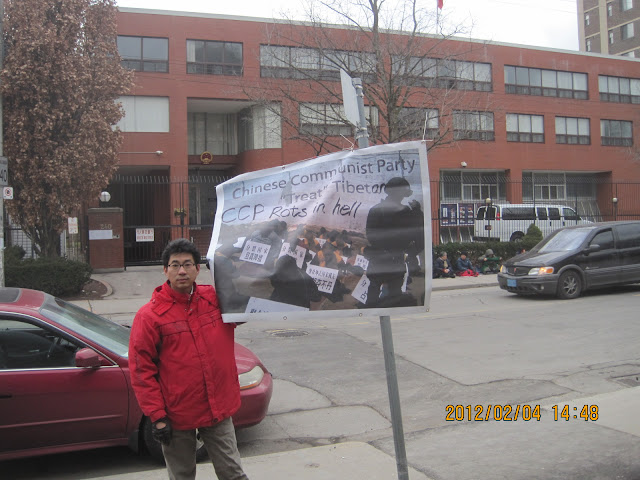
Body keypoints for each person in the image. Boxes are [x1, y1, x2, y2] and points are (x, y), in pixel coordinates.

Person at [129, 239, 249, 480]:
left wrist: (231, 272)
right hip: (177, 414)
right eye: (175, 265)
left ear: (197, 269)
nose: (181, 271)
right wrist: (157, 416)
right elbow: (142, 371)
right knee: (182, 475)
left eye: (187, 264)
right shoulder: (149, 316)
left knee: (233, 473)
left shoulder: (214, 299)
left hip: (218, 408)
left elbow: (245, 309)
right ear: (165, 270)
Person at [364, 176, 424, 307]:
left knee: (384, 291)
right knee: (384, 291)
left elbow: (415, 233)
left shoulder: (380, 209)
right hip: (387, 257)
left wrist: (416, 213)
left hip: (387, 258)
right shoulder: (384, 210)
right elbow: (415, 234)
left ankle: (376, 309)